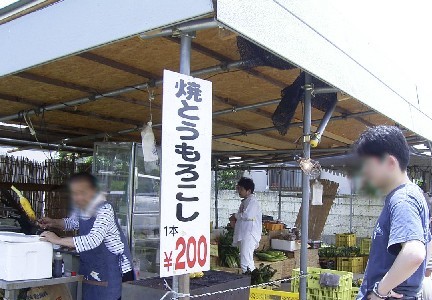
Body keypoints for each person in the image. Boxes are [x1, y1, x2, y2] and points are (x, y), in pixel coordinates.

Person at [355, 126, 431, 300]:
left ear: (390, 163)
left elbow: (414, 253)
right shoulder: (411, 195)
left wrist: (379, 292)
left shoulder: (403, 199)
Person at [39, 172, 134, 300]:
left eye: (82, 192)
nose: (78, 197)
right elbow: (71, 223)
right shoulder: (82, 209)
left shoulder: (105, 209)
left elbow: (93, 240)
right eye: (75, 193)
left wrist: (58, 240)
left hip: (114, 274)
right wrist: (53, 222)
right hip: (92, 272)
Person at [231, 177, 262, 273]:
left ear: (248, 191)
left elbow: (247, 215)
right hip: (246, 234)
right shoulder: (246, 201)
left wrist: (235, 216)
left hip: (249, 234)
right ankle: (252, 279)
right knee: (246, 258)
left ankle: (249, 280)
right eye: (238, 188)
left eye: (241, 189)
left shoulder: (253, 202)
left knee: (245, 260)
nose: (239, 191)